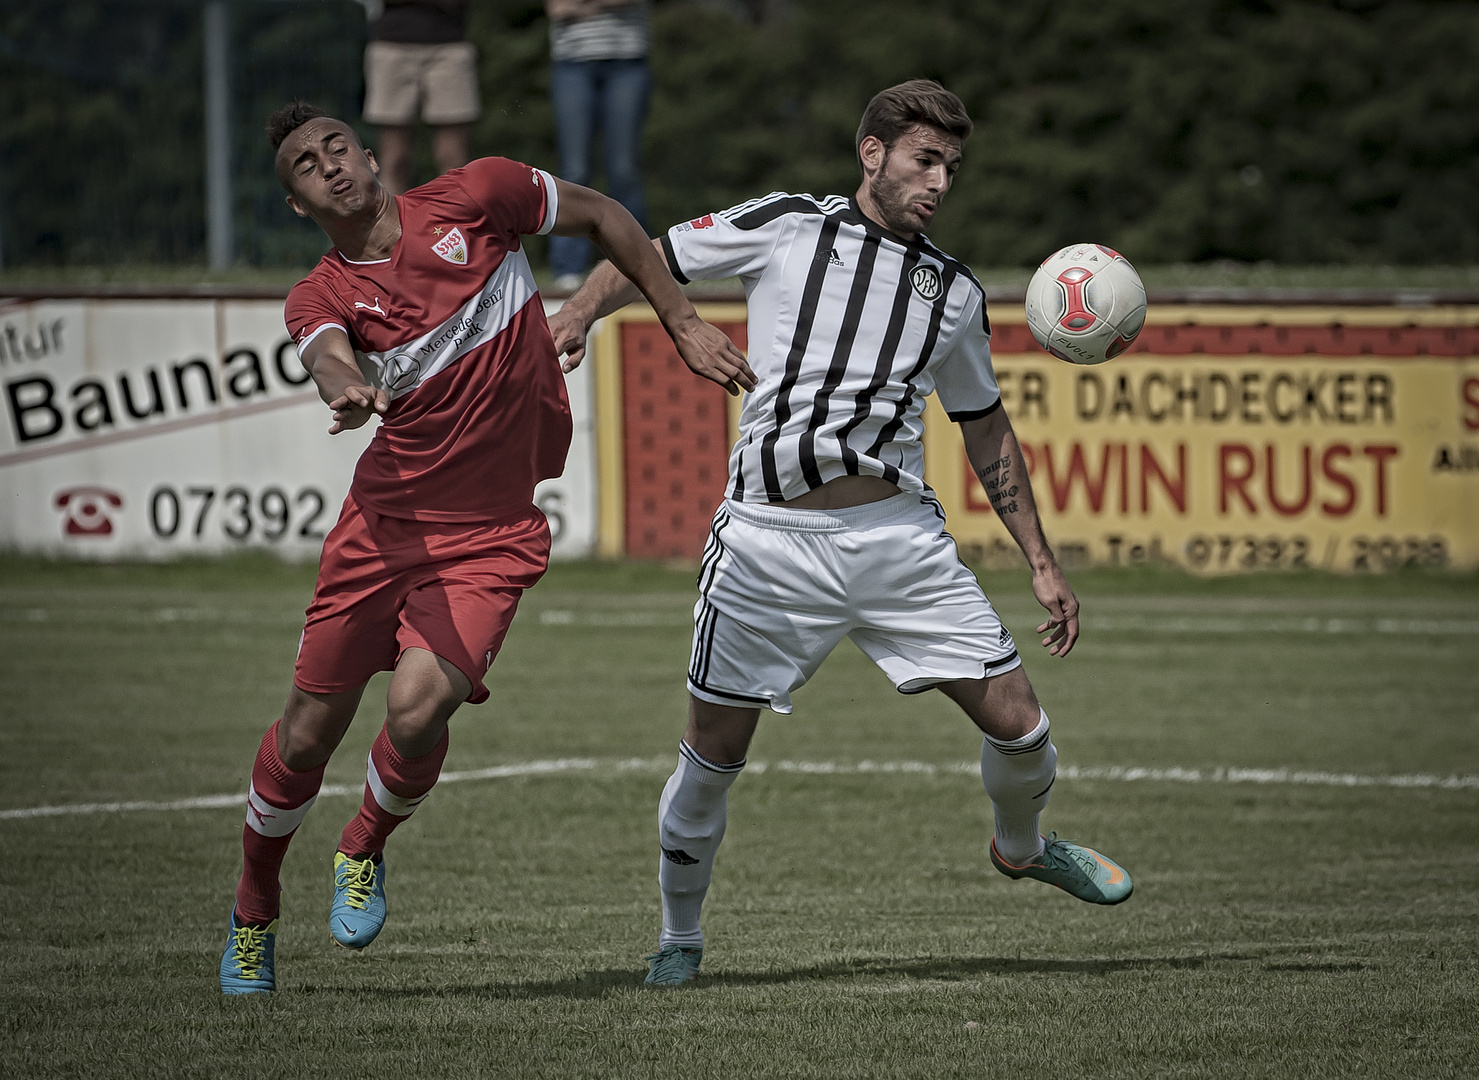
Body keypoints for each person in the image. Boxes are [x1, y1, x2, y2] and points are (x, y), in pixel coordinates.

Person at [549, 79, 1133, 988]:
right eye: (922, 160)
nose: (937, 182)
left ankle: (1020, 848)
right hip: (766, 545)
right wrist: (582, 312)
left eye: (949, 166)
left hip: (897, 540)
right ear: (872, 154)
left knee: (1023, 729)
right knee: (710, 761)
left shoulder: (952, 294)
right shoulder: (787, 224)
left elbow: (984, 427)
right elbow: (647, 251)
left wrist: (1042, 564)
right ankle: (678, 937)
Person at [218, 101, 753, 995]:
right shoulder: (319, 293)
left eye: (337, 146)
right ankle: (253, 907)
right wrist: (347, 388)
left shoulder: (477, 195)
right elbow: (325, 354)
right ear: (298, 206)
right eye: (308, 167)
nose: (331, 166)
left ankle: (363, 845)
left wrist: (680, 323)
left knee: (421, 709)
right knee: (309, 734)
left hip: (492, 534)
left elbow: (610, 219)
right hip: (383, 530)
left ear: (369, 150)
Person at [543, 0, 652, 291]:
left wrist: (582, 5)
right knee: (574, 172)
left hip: (628, 62)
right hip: (571, 63)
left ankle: (640, 267)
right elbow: (557, 8)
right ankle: (568, 268)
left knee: (624, 170)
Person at [363, 0, 479, 195]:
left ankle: (458, 222)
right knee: (395, 158)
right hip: (391, 47)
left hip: (449, 46)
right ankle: (393, 224)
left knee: (453, 158)